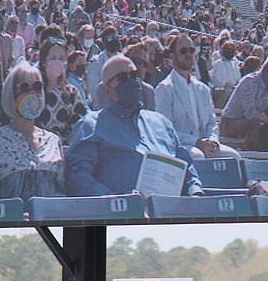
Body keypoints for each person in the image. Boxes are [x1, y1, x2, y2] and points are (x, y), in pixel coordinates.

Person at [65, 55, 204, 196]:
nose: (130, 81)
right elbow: (77, 177)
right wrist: (114, 197)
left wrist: (195, 191)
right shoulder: (91, 126)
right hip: (123, 211)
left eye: (134, 75)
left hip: (171, 208)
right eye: (122, 78)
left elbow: (186, 165)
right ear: (106, 89)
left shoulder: (160, 122)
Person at [0, 62, 65, 202]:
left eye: (37, 87)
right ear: (11, 94)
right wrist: (12, 214)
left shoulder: (53, 141)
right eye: (24, 87)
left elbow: (61, 190)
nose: (32, 93)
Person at [155, 34, 239, 159]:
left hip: (206, 144)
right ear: (172, 56)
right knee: (198, 156)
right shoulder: (165, 89)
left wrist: (212, 140)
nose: (188, 54)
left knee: (233, 157)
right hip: (180, 146)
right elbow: (166, 130)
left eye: (191, 50)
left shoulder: (203, 89)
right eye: (183, 51)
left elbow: (212, 122)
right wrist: (197, 142)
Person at [220, 55, 268, 151]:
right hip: (230, 123)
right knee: (253, 125)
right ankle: (251, 156)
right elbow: (250, 113)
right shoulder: (249, 82)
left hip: (251, 123)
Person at [36, 37, 89, 145]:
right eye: (53, 58)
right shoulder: (35, 90)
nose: (58, 62)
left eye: (61, 58)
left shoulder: (72, 92)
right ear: (43, 61)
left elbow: (79, 125)